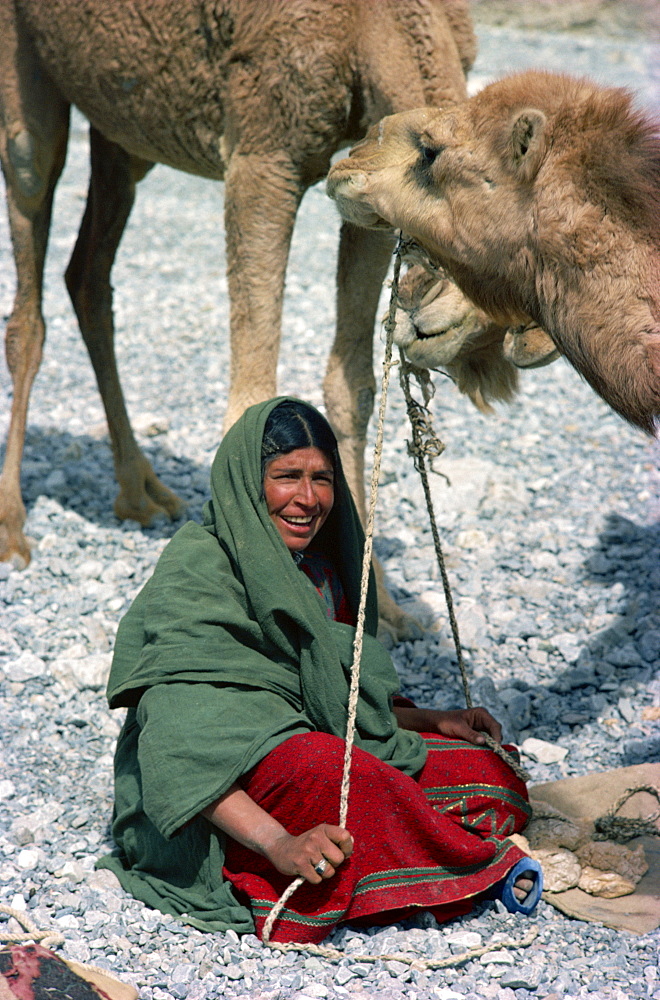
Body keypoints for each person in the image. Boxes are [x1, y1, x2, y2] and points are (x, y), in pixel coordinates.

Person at [98, 397, 542, 944]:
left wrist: (430, 718)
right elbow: (179, 747)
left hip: (311, 749)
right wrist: (279, 843)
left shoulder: (317, 567)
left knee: (490, 777)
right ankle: (459, 870)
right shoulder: (197, 571)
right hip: (218, 796)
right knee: (337, 775)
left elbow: (331, 691)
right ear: (246, 480)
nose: (307, 499)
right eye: (287, 476)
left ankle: (423, 848)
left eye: (322, 479)